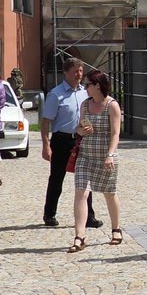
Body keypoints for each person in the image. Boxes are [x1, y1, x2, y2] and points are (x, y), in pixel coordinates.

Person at [68, 69, 124, 253]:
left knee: (109, 192)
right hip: (85, 155)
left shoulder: (112, 105)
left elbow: (116, 134)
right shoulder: (85, 104)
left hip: (105, 155)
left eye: (87, 85)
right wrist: (81, 131)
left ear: (97, 85)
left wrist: (110, 155)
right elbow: (79, 127)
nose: (85, 88)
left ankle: (116, 228)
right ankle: (80, 236)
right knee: (81, 193)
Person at [39, 57, 97, 230]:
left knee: (85, 179)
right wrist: (45, 145)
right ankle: (50, 214)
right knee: (57, 178)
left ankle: (89, 216)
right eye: (75, 72)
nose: (79, 75)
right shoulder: (56, 94)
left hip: (81, 139)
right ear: (66, 73)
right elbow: (45, 122)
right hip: (62, 139)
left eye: (80, 71)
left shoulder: (85, 92)